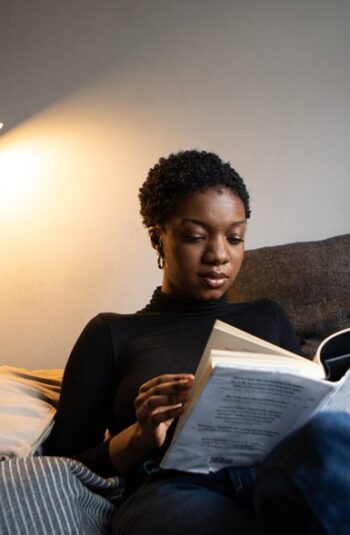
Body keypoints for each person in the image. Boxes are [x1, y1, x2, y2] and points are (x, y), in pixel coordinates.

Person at [43, 150, 350, 535]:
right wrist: (138, 438)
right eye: (195, 237)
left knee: (330, 435)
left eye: (235, 238)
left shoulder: (267, 315)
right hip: (176, 488)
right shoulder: (111, 333)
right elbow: (60, 467)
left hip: (275, 476)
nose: (219, 255)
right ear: (158, 239)